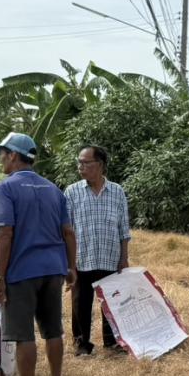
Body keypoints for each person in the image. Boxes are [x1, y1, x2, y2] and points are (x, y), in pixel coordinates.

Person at [0, 133, 77, 376]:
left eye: (2, 153)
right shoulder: (53, 190)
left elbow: (5, 235)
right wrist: (71, 267)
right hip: (53, 270)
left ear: (13, 155)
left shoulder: (6, 189)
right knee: (53, 330)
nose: (0, 158)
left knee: (24, 334)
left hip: (22, 272)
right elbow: (69, 232)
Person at [64, 146, 131, 356]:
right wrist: (68, 263)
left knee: (111, 303)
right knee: (80, 304)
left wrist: (124, 258)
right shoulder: (72, 192)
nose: (80, 167)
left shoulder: (117, 191)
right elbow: (66, 230)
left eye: (86, 163)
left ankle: (111, 343)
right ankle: (82, 345)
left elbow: (123, 229)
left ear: (100, 165)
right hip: (82, 259)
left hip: (110, 258)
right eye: (79, 163)